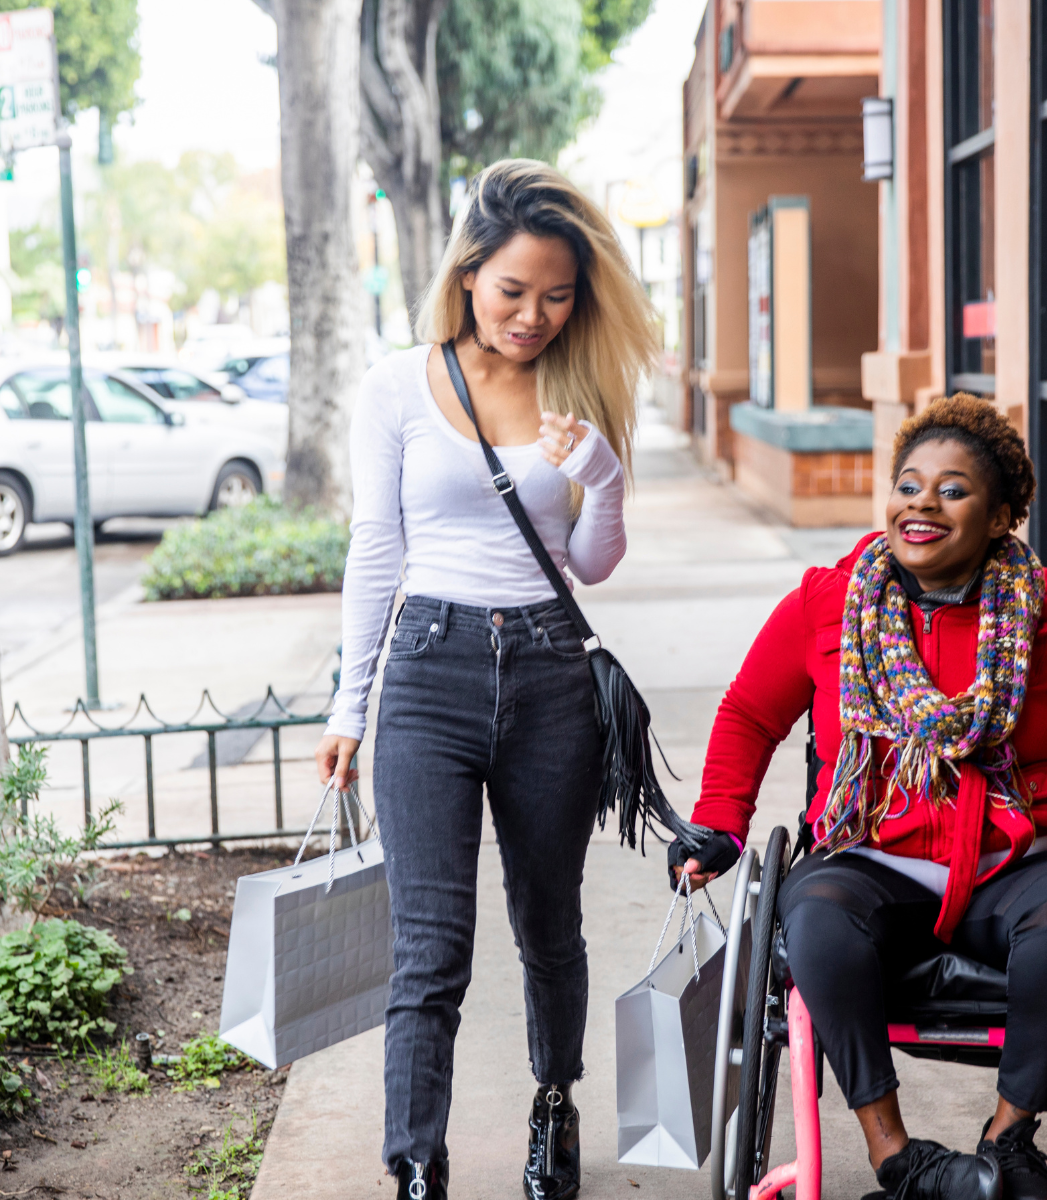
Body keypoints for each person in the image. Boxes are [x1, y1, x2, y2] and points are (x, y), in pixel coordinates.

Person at [668, 395, 1047, 1200]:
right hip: (871, 856)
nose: (921, 501)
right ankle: (900, 1159)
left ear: (999, 517)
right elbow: (748, 714)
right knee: (813, 913)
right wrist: (718, 822)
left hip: (1015, 865)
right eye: (908, 484)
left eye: (952, 489)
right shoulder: (828, 602)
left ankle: (1009, 1142)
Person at [316, 159, 658, 1200]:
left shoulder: (582, 385)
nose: (534, 316)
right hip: (428, 672)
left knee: (550, 922)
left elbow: (593, 564)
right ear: (469, 274)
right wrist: (350, 702)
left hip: (553, 674)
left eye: (557, 296)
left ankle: (554, 1108)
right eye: (514, 291)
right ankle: (415, 1159)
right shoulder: (397, 384)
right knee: (430, 946)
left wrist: (598, 476)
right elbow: (377, 546)